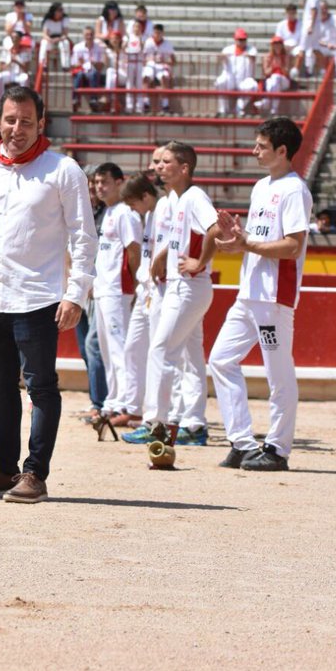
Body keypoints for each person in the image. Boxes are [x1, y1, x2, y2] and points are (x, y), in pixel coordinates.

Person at [0, 84, 95, 504]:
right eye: (10, 120)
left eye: (27, 121)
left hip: (41, 296)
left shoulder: (63, 170)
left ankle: (35, 473)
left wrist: (77, 293)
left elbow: (84, 236)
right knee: (0, 389)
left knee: (41, 387)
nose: (18, 129)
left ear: (41, 123)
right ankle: (3, 468)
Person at [209, 117, 311, 472]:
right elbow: (259, 240)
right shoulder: (261, 186)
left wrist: (247, 241)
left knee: (277, 373)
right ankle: (241, 441)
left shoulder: (295, 190)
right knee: (221, 360)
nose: (254, 151)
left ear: (282, 151)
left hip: (273, 298)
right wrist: (239, 238)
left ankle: (278, 449)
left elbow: (292, 247)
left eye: (261, 146)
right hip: (250, 292)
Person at [123, 142, 220, 447]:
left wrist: (199, 261)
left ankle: (157, 423)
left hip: (188, 285)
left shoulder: (193, 197)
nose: (159, 167)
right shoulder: (177, 198)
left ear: (184, 168)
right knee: (190, 356)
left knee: (161, 350)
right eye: (159, 162)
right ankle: (193, 424)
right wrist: (164, 254)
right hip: (185, 285)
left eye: (166, 162)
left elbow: (215, 230)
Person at [87, 162, 141, 436]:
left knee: (120, 348)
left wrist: (132, 285)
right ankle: (114, 400)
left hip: (119, 289)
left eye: (104, 182)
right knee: (107, 349)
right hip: (105, 288)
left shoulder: (125, 214)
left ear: (120, 182)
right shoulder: (108, 212)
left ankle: (127, 404)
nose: (99, 187)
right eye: (97, 182)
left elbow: (133, 250)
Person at [117, 172, 160, 428]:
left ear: (145, 196)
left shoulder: (163, 209)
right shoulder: (150, 214)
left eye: (134, 204)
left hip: (157, 289)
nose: (133, 210)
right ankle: (134, 409)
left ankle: (161, 416)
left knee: (159, 351)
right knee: (133, 348)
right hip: (146, 289)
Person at [215, 28, 259, 117]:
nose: (242, 42)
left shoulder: (251, 49)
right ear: (235, 40)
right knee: (220, 81)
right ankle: (223, 110)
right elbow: (219, 59)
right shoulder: (228, 49)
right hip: (230, 78)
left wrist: (248, 56)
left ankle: (239, 110)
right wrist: (222, 57)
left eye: (244, 40)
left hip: (245, 78)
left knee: (253, 85)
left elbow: (254, 58)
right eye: (240, 40)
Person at [70, 26, 106, 112]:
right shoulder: (78, 47)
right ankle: (75, 99)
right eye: (87, 34)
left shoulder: (99, 48)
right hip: (81, 71)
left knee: (93, 73)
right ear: (83, 35)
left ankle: (93, 99)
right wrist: (80, 63)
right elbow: (73, 65)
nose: (89, 36)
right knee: (79, 74)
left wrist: (94, 63)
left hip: (93, 73)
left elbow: (101, 66)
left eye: (91, 34)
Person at [142, 24, 176, 114]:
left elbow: (173, 61)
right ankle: (146, 103)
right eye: (155, 33)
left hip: (162, 65)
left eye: (159, 33)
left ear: (162, 33)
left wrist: (165, 61)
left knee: (164, 78)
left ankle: (165, 105)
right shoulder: (148, 42)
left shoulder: (167, 44)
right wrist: (148, 60)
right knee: (146, 77)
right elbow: (143, 58)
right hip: (150, 64)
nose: (157, 35)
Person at [0, 30, 32, 99]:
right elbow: (0, 68)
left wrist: (17, 61)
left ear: (20, 39)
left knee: (25, 78)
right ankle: (1, 100)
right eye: (12, 38)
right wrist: (9, 62)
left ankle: (24, 100)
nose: (14, 39)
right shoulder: (6, 51)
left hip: (20, 74)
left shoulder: (25, 51)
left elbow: (26, 69)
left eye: (16, 37)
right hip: (9, 73)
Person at [38, 1, 71, 69]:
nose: (61, 12)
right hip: (50, 39)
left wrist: (59, 39)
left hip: (60, 38)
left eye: (62, 10)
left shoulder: (64, 19)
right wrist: (50, 40)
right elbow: (44, 34)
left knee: (65, 43)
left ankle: (65, 65)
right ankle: (43, 64)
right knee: (44, 43)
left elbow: (65, 34)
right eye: (59, 10)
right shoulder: (48, 20)